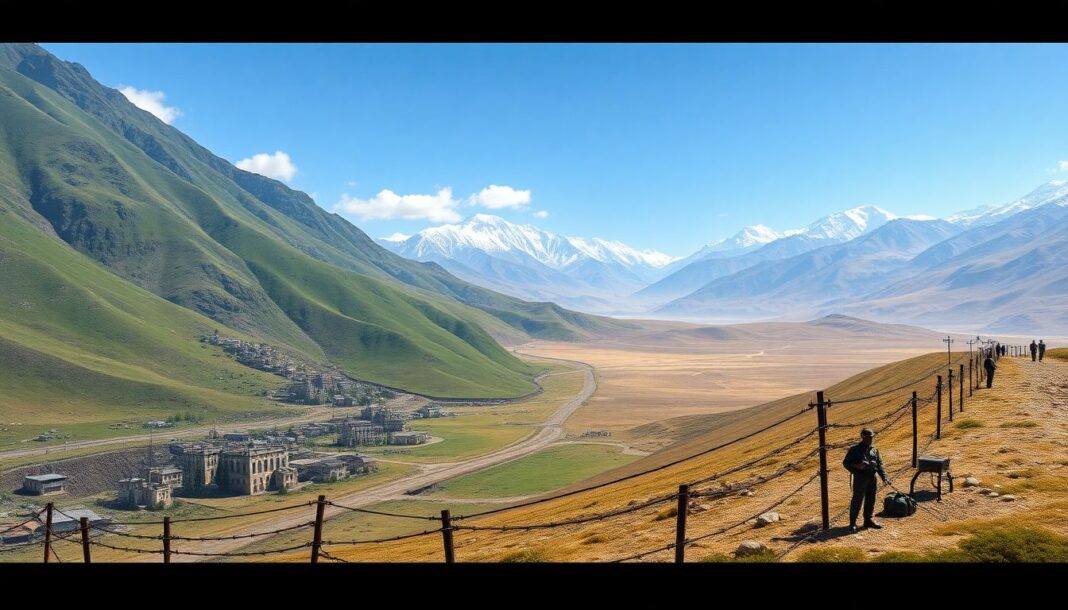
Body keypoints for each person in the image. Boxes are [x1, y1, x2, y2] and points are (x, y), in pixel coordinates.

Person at [842, 428, 888, 533]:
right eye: (868, 437)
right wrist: (858, 467)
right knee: (857, 501)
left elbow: (879, 464)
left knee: (871, 499)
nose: (870, 439)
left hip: (872, 478)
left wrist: (884, 476)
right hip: (860, 479)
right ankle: (852, 523)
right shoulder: (854, 450)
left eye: (871, 437)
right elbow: (846, 463)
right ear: (862, 437)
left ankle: (868, 520)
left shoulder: (874, 450)